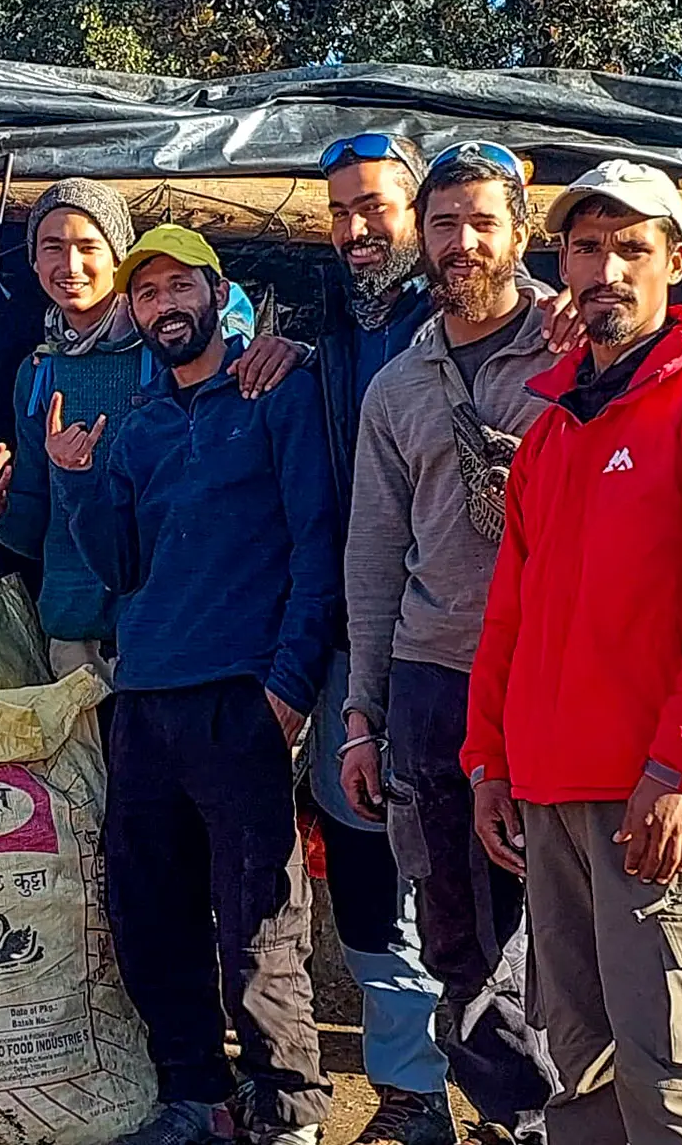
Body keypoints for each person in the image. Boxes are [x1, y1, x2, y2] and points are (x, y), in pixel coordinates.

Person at [464, 160, 682, 1145]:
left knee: (677, 1076)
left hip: (657, 797)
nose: (603, 267)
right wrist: (489, 761)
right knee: (577, 1068)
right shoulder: (553, 433)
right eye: (583, 246)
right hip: (549, 794)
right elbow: (509, 617)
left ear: (675, 262)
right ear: (560, 262)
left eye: (629, 246)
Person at [51, 225, 338, 1145]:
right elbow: (118, 564)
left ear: (217, 295)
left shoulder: (276, 394)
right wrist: (78, 481)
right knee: (148, 910)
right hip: (147, 700)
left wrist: (290, 683)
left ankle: (287, 1108)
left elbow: (317, 543)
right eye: (147, 295)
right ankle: (196, 1097)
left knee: (258, 918)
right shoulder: (137, 426)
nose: (164, 305)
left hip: (240, 696)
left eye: (180, 287)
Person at [231, 134, 453, 1144]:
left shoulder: (475, 325)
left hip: (458, 650)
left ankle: (517, 1091)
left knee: (474, 870)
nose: (358, 228)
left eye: (376, 206)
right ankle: (411, 1093)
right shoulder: (329, 335)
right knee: (365, 862)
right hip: (351, 650)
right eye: (340, 211)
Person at [340, 143, 560, 1145]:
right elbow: (375, 554)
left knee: (564, 915)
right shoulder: (396, 385)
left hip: (560, 677)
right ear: (420, 241)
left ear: (521, 231)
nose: (461, 242)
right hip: (435, 682)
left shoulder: (578, 351)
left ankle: (575, 1111)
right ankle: (515, 1116)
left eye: (481, 221)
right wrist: (361, 715)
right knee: (455, 926)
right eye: (442, 224)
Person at [0, 179, 148, 681]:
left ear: (118, 257)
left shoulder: (167, 353)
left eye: (89, 246)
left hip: (162, 631)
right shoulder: (39, 372)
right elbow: (37, 525)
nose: (70, 266)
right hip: (72, 639)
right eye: (53, 248)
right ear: (35, 263)